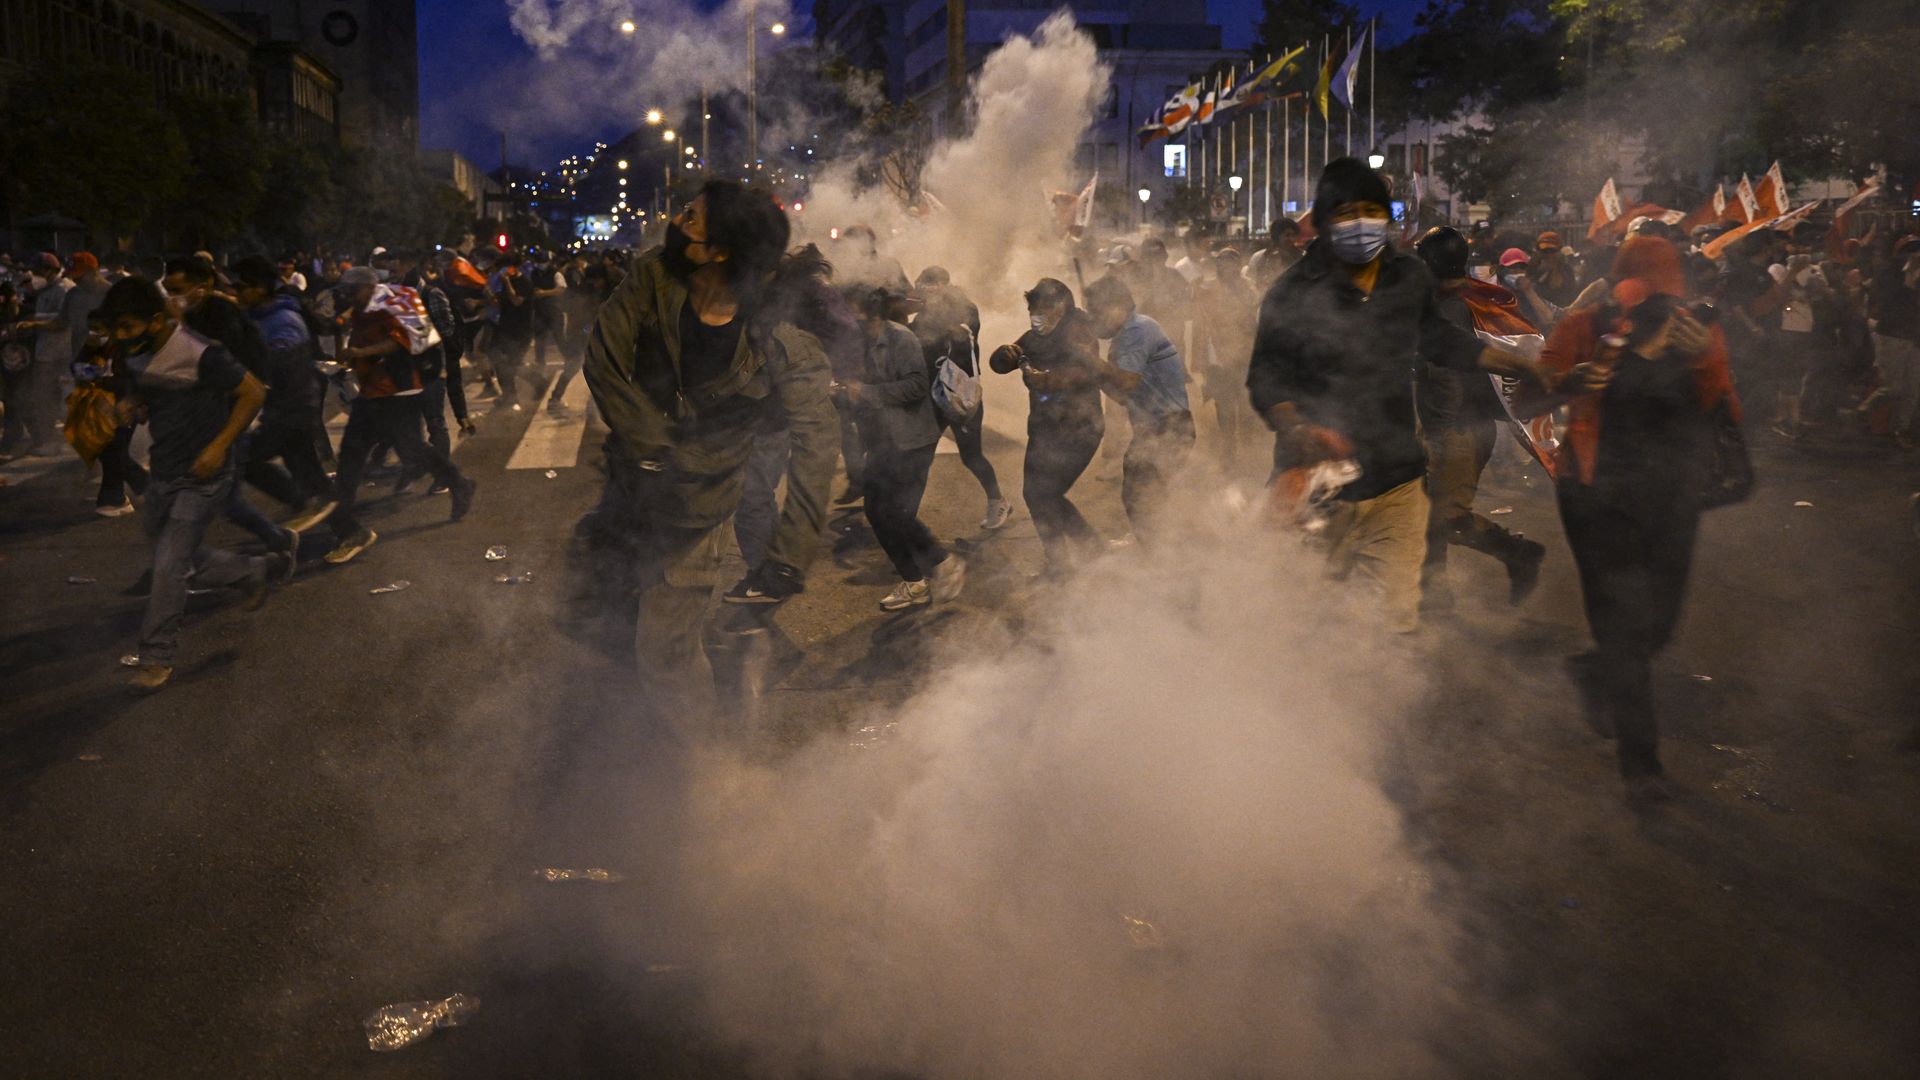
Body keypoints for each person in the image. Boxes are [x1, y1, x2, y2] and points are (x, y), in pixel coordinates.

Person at [1246, 158, 1551, 633]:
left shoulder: (1402, 281)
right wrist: (1298, 427)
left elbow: (1442, 343)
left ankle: (1415, 622)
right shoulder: (1290, 295)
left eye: (1374, 212)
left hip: (1394, 465)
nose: (1365, 226)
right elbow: (1267, 378)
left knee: (1389, 592)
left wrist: (1515, 364)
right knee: (1297, 588)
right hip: (1317, 468)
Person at [580, 181, 838, 731]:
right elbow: (603, 357)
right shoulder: (654, 275)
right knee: (590, 609)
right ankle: (711, 675)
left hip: (702, 500)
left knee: (664, 655)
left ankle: (702, 767)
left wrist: (789, 554)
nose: (676, 220)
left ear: (720, 249)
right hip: (631, 482)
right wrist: (650, 445)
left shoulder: (782, 332)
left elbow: (817, 442)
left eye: (691, 218)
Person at [1534, 235, 1739, 799]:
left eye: (1661, 294)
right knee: (1623, 623)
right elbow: (1539, 385)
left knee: (1660, 624)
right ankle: (1641, 761)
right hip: (1595, 495)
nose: (1651, 305)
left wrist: (1704, 358)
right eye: (1640, 292)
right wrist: (1581, 374)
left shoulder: (1699, 333)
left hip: (1673, 498)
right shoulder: (1585, 326)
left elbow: (1724, 410)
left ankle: (1597, 670)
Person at [93, 277, 284, 694]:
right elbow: (145, 393)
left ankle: (156, 656)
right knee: (175, 551)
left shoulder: (201, 352)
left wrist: (218, 447)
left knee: (168, 564)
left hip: (204, 474)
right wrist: (131, 406)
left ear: (157, 320)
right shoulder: (135, 352)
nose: (121, 337)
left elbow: (252, 393)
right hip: (164, 470)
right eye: (116, 330)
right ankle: (254, 569)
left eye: (127, 327)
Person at [1412, 228, 1548, 610]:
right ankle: (1433, 596)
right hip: (1444, 425)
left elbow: (1449, 371)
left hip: (1458, 428)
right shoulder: (1466, 300)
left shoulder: (1452, 309)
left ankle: (1517, 552)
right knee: (1424, 512)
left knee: (1445, 517)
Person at [323, 267, 477, 565]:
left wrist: (359, 352)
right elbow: (355, 338)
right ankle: (344, 524)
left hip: (398, 391)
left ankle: (458, 483)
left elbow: (404, 341)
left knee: (410, 450)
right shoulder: (362, 307)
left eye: (352, 290)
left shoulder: (391, 302)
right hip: (372, 392)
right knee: (353, 457)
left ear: (368, 286)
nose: (348, 296)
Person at [989, 278, 1132, 575]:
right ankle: (1064, 558)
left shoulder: (1079, 332)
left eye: (1042, 308)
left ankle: (1081, 552)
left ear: (1061, 306)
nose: (1036, 315)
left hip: (1079, 429)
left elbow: (1088, 372)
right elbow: (1001, 363)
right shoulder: (1034, 336)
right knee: (1035, 494)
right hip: (1043, 428)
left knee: (1046, 493)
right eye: (1032, 308)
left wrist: (1049, 380)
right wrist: (1004, 354)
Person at [847, 286, 967, 609]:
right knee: (875, 509)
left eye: (854, 315)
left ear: (872, 317)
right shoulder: (859, 343)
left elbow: (915, 387)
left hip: (912, 439)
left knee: (897, 511)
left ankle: (944, 564)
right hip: (883, 440)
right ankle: (914, 581)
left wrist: (865, 392)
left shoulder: (902, 339)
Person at [231, 256, 339, 532]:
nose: (237, 293)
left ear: (261, 289)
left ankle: (327, 518)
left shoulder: (284, 321)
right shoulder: (256, 317)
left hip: (293, 410)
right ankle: (347, 529)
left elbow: (283, 367)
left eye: (241, 287)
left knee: (247, 458)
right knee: (311, 480)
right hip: (283, 410)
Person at [1084, 276, 1192, 546]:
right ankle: (1154, 547)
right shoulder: (1125, 336)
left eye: (1095, 311)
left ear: (1117, 306)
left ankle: (1158, 554)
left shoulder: (1137, 330)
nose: (1092, 319)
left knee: (1141, 495)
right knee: (1145, 495)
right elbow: (1122, 395)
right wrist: (1095, 372)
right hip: (1156, 427)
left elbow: (1127, 381)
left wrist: (1092, 362)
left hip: (1167, 426)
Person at [910, 265, 1010, 529]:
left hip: (958, 393)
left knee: (971, 455)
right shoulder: (923, 311)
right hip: (933, 394)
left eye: (929, 286)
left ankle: (998, 500)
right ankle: (906, 513)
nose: (925, 291)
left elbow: (964, 332)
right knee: (922, 454)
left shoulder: (964, 307)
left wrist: (935, 313)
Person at [488, 250, 538, 410]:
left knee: (512, 365)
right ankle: (509, 396)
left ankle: (537, 383)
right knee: (497, 361)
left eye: (506, 268)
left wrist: (508, 284)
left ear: (514, 267)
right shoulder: (501, 283)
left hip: (521, 331)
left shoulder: (524, 283)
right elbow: (498, 301)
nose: (503, 271)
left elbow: (516, 301)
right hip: (504, 328)